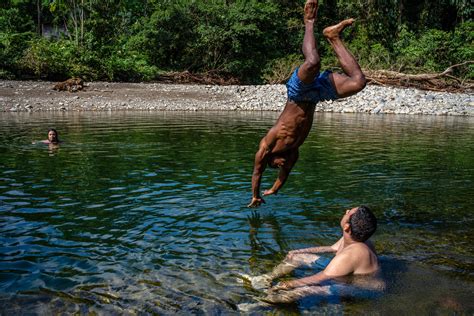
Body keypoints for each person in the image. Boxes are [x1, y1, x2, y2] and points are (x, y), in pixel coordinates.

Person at [248, 0, 366, 207]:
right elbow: (284, 176)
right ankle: (333, 36)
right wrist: (274, 189)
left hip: (298, 93)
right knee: (358, 82)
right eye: (279, 166)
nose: (280, 165)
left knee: (312, 62)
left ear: (270, 160)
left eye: (275, 165)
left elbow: (257, 172)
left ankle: (309, 21)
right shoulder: (292, 153)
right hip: (316, 96)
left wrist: (255, 195)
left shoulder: (267, 145)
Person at [242, 206, 382, 303]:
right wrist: (298, 252)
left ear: (347, 227)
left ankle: (259, 303)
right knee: (296, 257)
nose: (345, 211)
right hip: (343, 273)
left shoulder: (353, 253)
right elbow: (332, 248)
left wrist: (286, 285)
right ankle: (265, 279)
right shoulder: (353, 238)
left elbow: (320, 278)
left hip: (359, 288)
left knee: (307, 289)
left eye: (348, 212)